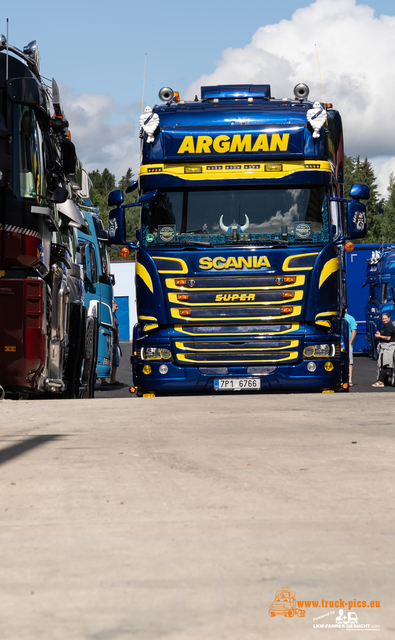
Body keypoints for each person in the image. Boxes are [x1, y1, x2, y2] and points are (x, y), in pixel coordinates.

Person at [372, 312, 395, 387]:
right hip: (386, 347)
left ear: (389, 318)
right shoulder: (386, 326)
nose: (384, 320)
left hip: (388, 348)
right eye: (383, 319)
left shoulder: (389, 326)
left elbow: (388, 338)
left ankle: (381, 382)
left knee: (385, 364)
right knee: (383, 364)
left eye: (385, 318)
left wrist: (379, 336)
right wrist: (380, 334)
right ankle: (381, 380)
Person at [110, 300, 123, 386]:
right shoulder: (108, 315)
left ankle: (113, 379)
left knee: (115, 361)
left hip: (115, 342)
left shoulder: (114, 316)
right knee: (108, 361)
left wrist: (117, 339)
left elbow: (117, 328)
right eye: (116, 306)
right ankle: (103, 380)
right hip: (109, 342)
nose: (117, 308)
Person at [344, 309, 357, 386]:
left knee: (349, 362)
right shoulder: (337, 318)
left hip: (347, 344)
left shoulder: (350, 318)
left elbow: (354, 331)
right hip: (339, 343)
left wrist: (350, 342)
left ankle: (349, 380)